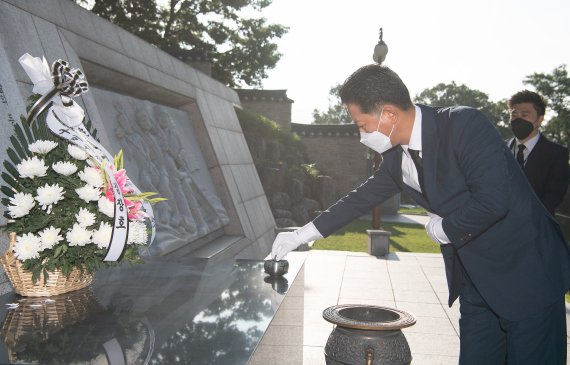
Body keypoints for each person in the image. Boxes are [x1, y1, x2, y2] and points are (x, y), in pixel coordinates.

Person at [271, 64, 570, 364]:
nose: (361, 135)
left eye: (362, 125)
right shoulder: (395, 157)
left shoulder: (463, 124)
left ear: (389, 114)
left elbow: (495, 200)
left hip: (527, 276)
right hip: (476, 285)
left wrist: (443, 230)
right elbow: (358, 200)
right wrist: (299, 235)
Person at [507, 90, 569, 216]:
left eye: (525, 115)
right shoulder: (499, 150)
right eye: (514, 115)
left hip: (535, 230)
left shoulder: (557, 155)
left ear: (540, 120)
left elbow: (552, 199)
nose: (518, 119)